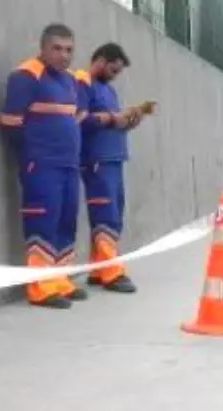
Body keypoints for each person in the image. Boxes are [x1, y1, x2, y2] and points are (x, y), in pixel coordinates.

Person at [0, 23, 86, 309]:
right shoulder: (25, 75)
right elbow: (11, 123)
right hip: (41, 164)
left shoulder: (71, 80)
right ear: (43, 48)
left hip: (69, 164)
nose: (64, 55)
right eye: (57, 49)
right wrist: (31, 156)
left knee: (66, 220)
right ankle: (40, 286)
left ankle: (60, 279)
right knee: (42, 220)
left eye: (69, 50)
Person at [75, 42, 154, 294]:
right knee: (105, 211)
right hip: (96, 159)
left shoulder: (108, 91)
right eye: (113, 70)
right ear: (100, 61)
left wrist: (130, 120)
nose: (115, 76)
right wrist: (111, 118)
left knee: (114, 212)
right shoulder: (82, 83)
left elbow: (111, 122)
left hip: (114, 158)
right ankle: (111, 272)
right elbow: (79, 119)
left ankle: (99, 268)